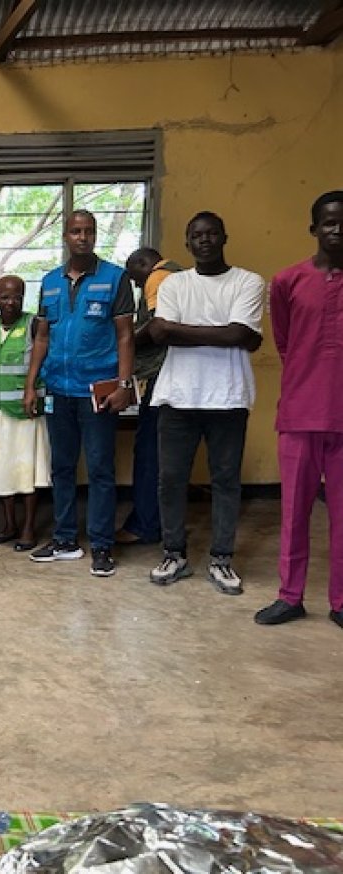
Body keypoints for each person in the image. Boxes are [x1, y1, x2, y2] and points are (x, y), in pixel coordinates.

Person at [146, 212, 263, 595]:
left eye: (212, 233)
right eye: (197, 235)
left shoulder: (248, 281)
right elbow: (161, 333)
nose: (205, 240)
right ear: (188, 242)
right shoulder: (174, 283)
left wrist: (185, 331)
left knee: (226, 481)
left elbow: (243, 335)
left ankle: (222, 559)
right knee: (170, 480)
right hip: (178, 396)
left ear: (224, 237)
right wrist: (226, 333)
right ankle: (174, 554)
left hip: (228, 397)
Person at [23, 209, 136, 577]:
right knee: (62, 467)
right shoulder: (50, 281)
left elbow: (124, 336)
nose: (82, 237)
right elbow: (42, 336)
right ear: (65, 237)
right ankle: (65, 539)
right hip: (58, 389)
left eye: (88, 231)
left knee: (101, 468)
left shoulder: (115, 279)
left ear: (95, 235)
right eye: (75, 231)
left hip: (97, 391)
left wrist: (123, 385)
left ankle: (102, 545)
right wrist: (31, 384)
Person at [257, 191, 343, 625]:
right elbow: (287, 342)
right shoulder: (288, 281)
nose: (337, 230)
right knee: (293, 514)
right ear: (314, 228)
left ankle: (342, 602)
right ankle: (290, 596)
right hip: (300, 414)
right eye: (328, 222)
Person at [0, 275, 50, 552]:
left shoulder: (34, 324)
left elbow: (41, 363)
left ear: (23, 297)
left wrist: (31, 391)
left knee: (27, 472)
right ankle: (9, 524)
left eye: (16, 296)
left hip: (25, 413)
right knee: (2, 469)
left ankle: (28, 527)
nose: (10, 302)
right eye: (4, 297)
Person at [115, 247, 183, 547]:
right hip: (181, 378)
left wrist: (125, 341)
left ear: (143, 265)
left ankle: (144, 525)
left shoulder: (158, 277)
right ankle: (162, 523)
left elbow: (157, 327)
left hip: (161, 375)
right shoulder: (182, 275)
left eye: (134, 279)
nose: (137, 286)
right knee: (168, 456)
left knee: (148, 452)